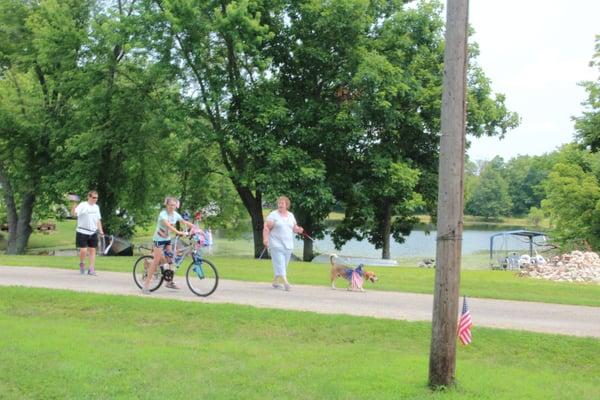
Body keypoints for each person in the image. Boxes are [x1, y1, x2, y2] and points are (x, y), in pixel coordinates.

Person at [142, 196, 196, 294]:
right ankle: (146, 285)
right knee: (156, 261)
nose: (172, 207)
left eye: (174, 205)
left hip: (167, 240)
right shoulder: (163, 214)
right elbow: (169, 226)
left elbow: (184, 222)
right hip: (159, 240)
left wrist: (195, 227)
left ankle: (169, 282)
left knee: (171, 260)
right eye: (171, 205)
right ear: (166, 205)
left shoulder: (175, 214)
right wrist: (179, 232)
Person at [262, 196, 303, 291]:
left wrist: (299, 230)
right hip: (276, 243)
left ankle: (275, 281)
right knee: (280, 263)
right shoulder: (273, 215)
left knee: (283, 265)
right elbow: (266, 227)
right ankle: (286, 283)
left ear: (286, 205)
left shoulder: (291, 215)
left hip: (288, 245)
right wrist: (265, 239)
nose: (280, 205)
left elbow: (294, 228)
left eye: (282, 203)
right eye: (279, 203)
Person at [71, 190, 104, 276]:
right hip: (82, 231)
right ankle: (82, 264)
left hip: (93, 232)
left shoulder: (96, 207)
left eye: (96, 198)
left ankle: (91, 269)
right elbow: (74, 214)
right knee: (83, 250)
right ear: (88, 197)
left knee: (93, 250)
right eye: (93, 197)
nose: (95, 199)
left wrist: (101, 230)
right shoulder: (83, 205)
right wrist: (74, 204)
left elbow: (98, 219)